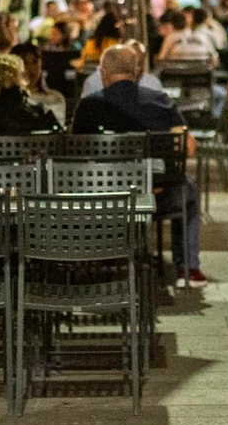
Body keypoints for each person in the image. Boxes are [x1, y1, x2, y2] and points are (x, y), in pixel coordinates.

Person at [72, 44, 208, 288]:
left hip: (100, 198)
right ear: (136, 72)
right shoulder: (160, 101)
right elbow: (187, 147)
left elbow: (74, 154)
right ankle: (188, 268)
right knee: (188, 188)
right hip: (155, 197)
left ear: (103, 73)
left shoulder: (88, 107)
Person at [11, 42, 67, 125]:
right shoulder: (10, 101)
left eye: (35, 62)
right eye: (25, 63)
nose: (31, 68)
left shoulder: (55, 98)